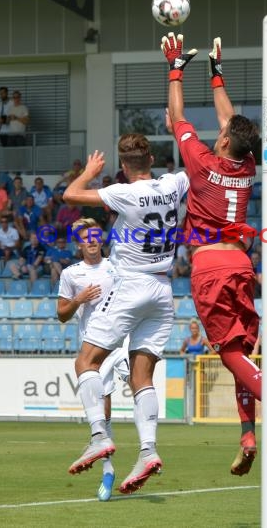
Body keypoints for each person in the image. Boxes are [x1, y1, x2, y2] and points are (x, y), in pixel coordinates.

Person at [161, 32, 267, 475]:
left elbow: (174, 116)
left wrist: (174, 69)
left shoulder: (202, 163)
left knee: (228, 353)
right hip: (242, 265)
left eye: (222, 131)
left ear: (223, 142)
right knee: (241, 352)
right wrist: (217, 73)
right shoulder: (246, 166)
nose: (220, 127)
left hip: (209, 267)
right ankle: (247, 435)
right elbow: (233, 121)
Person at [63, 135, 189, 493]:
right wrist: (176, 124)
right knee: (142, 376)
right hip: (163, 289)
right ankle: (148, 450)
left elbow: (71, 195)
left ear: (123, 166)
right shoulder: (173, 183)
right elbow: (194, 171)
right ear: (152, 157)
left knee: (85, 363)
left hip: (130, 283)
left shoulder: (123, 192)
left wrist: (88, 172)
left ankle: (99, 436)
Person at [57, 217, 129, 502]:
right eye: (86, 238)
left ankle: (149, 449)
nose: (92, 241)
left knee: (142, 386)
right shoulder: (70, 274)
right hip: (94, 348)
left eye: (96, 236)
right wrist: (79, 299)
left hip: (123, 341)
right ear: (79, 243)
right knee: (104, 413)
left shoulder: (117, 266)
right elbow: (61, 314)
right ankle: (108, 470)